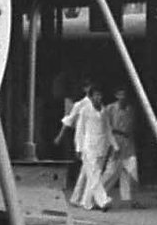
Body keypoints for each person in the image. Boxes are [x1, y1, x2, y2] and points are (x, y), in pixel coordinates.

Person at [56, 82, 112, 210]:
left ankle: (84, 201)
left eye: (100, 95)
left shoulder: (102, 109)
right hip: (88, 145)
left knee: (89, 174)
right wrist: (78, 147)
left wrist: (111, 145)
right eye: (95, 94)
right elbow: (76, 126)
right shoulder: (81, 106)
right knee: (93, 174)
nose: (98, 97)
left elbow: (107, 128)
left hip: (101, 146)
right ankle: (103, 200)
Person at [98, 86, 139, 208]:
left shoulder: (130, 109)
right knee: (110, 172)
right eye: (120, 94)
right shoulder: (110, 108)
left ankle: (131, 200)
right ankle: (98, 195)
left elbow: (132, 127)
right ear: (116, 95)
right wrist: (111, 145)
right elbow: (106, 128)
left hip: (128, 143)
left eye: (124, 94)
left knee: (131, 172)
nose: (122, 97)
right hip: (115, 142)